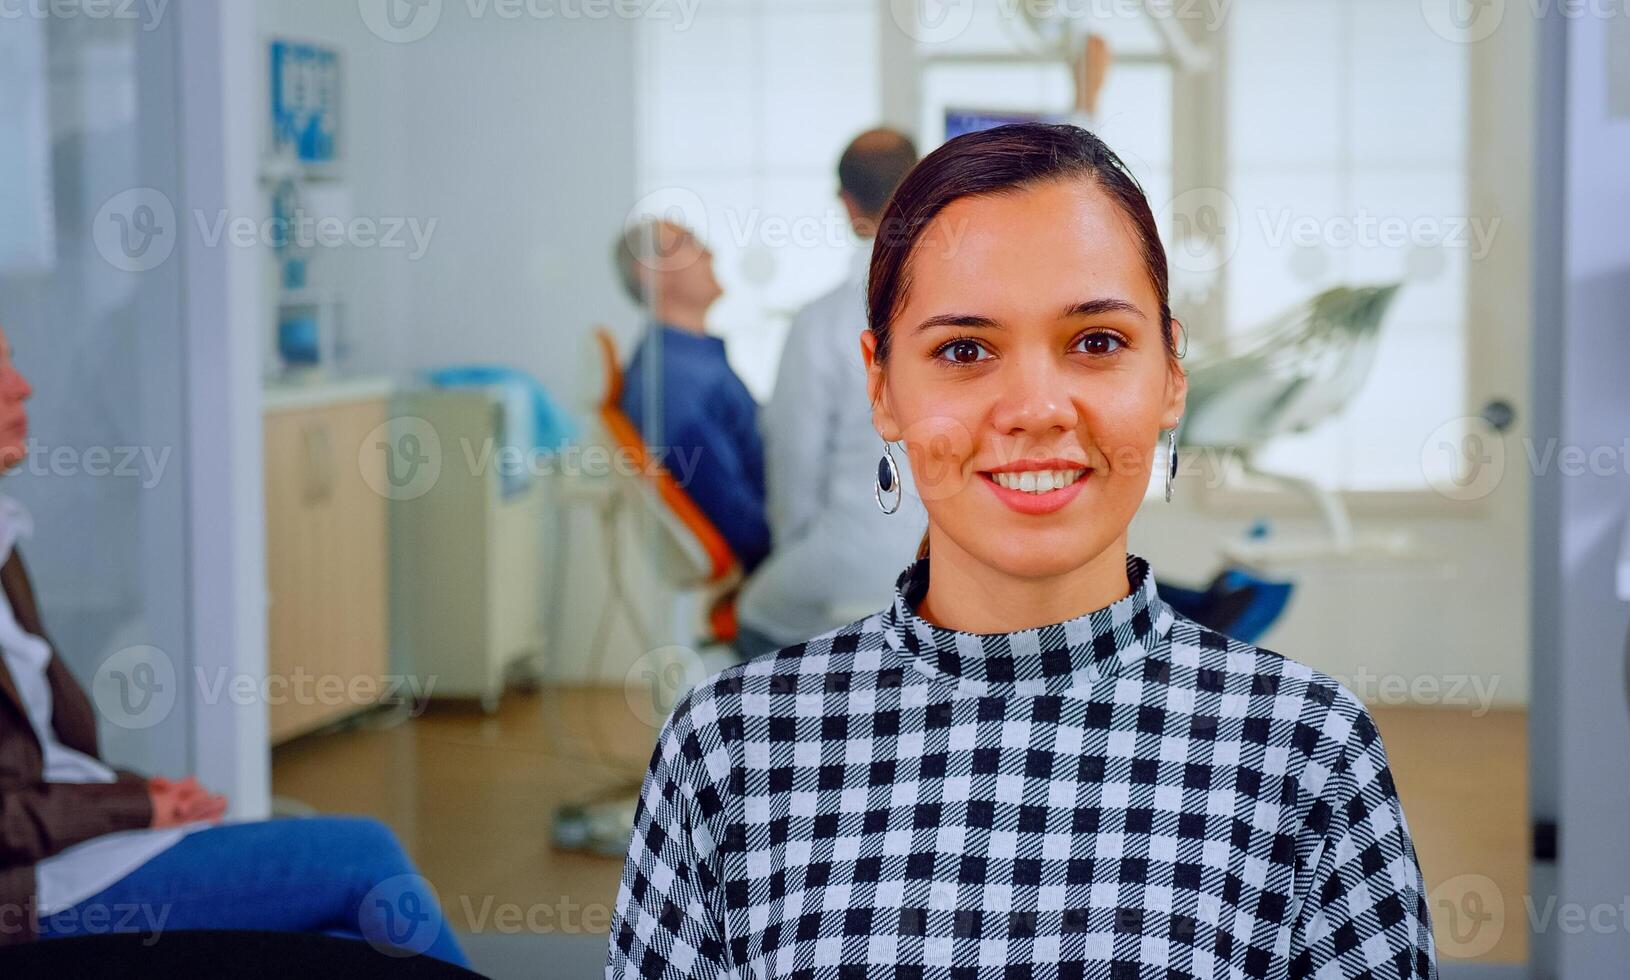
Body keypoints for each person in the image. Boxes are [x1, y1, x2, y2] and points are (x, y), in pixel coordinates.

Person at [608, 124, 1436, 978]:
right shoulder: (730, 751)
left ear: (1171, 378)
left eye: (1097, 342)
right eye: (964, 350)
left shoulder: (1306, 753)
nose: (1036, 409)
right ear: (883, 387)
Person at [0, 327, 469, 966]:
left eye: (12, 360)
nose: (22, 385)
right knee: (367, 861)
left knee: (352, 942)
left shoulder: (5, 542)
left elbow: (43, 759)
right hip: (36, 893)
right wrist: (135, 806)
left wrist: (142, 798)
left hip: (77, 852)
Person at [735, 129, 928, 655]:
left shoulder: (820, 324)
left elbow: (793, 460)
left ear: (846, 205)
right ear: (920, 187)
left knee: (754, 615)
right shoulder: (970, 308)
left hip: (853, 559)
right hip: (951, 562)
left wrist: (798, 547)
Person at [614, 219, 771, 574]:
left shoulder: (694, 364)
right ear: (650, 271)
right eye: (688, 243)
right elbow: (738, 521)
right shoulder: (671, 383)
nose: (710, 253)